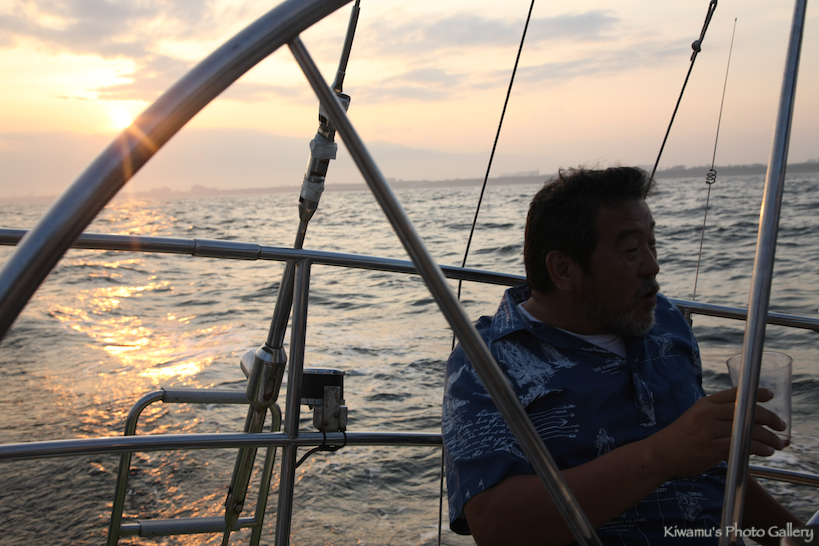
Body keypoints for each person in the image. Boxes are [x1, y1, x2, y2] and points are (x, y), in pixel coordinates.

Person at [442, 166, 801, 545]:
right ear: (563, 270)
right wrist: (660, 456)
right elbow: (496, 527)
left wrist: (797, 537)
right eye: (631, 250)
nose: (652, 265)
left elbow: (712, 471)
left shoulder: (665, 320)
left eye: (652, 244)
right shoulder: (486, 360)